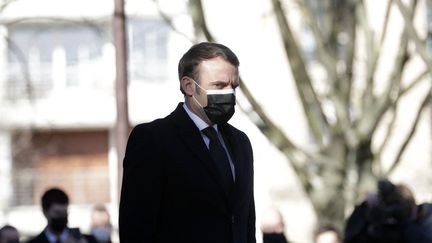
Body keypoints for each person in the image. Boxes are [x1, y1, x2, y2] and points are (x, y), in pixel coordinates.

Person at [119, 42, 256, 243]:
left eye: (233, 86)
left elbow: (245, 221)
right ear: (188, 86)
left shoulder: (240, 143)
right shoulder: (154, 140)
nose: (229, 94)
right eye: (219, 85)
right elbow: (136, 227)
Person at [27, 188, 97, 243]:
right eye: (57, 213)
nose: (62, 217)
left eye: (65, 213)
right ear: (45, 212)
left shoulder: (88, 240)